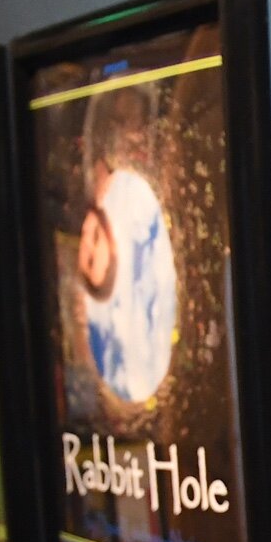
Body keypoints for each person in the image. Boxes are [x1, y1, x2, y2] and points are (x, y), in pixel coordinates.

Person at [76, 88, 177, 404]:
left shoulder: (83, 189)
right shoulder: (147, 188)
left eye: (85, 258)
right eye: (97, 253)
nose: (88, 245)